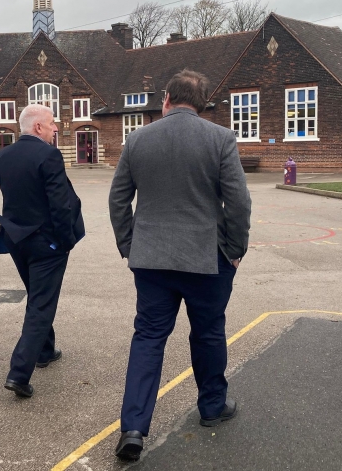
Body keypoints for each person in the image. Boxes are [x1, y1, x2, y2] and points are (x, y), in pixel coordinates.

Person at [108, 69, 251, 461]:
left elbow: (118, 200)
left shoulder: (136, 140)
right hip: (208, 258)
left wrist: (129, 246)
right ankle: (212, 407)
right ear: (201, 104)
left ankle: (134, 427)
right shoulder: (220, 138)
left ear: (166, 99)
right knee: (207, 333)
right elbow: (238, 202)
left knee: (149, 337)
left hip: (151, 260)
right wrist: (235, 248)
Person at [0, 104, 85, 398]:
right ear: (38, 127)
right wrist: (65, 242)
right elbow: (60, 204)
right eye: (52, 124)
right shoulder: (49, 155)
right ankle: (19, 373)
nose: (56, 129)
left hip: (16, 240)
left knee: (37, 295)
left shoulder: (4, 156)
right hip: (46, 244)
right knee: (41, 304)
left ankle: (44, 351)